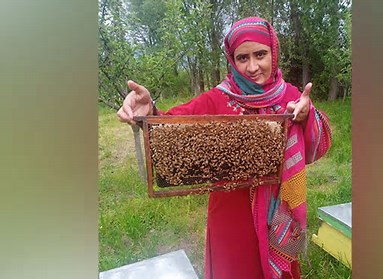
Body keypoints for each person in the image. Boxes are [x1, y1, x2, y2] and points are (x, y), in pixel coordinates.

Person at [117, 16, 331, 279]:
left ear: (273, 53)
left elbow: (318, 147)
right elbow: (171, 124)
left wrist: (307, 115)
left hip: (281, 207)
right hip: (231, 215)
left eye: (260, 54)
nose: (252, 66)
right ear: (232, 59)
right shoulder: (218, 97)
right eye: (242, 58)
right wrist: (148, 112)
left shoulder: (291, 95)